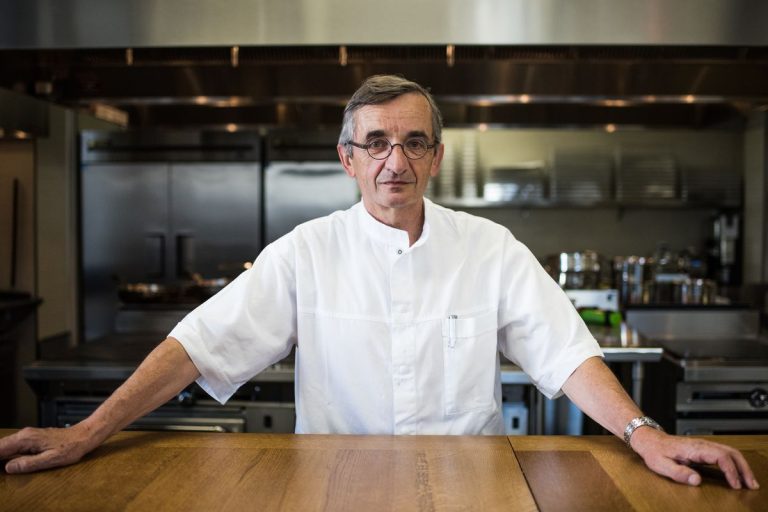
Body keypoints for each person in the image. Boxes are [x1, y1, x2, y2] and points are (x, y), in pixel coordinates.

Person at [0, 75, 758, 490]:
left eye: (413, 142)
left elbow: (565, 352)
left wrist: (643, 434)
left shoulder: (489, 247)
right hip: (334, 488)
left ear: (435, 158)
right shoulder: (306, 250)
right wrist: (87, 432)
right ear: (348, 159)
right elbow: (198, 344)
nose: (395, 160)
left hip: (473, 490)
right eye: (376, 143)